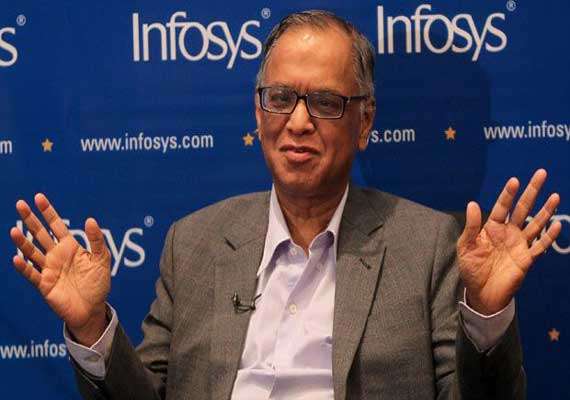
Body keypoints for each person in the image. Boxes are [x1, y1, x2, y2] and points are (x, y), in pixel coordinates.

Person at [9, 10, 562, 400]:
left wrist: (486, 319)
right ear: (258, 113)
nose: (298, 122)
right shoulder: (193, 243)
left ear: (364, 121)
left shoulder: (428, 245)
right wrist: (91, 328)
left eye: (324, 101)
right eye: (280, 98)